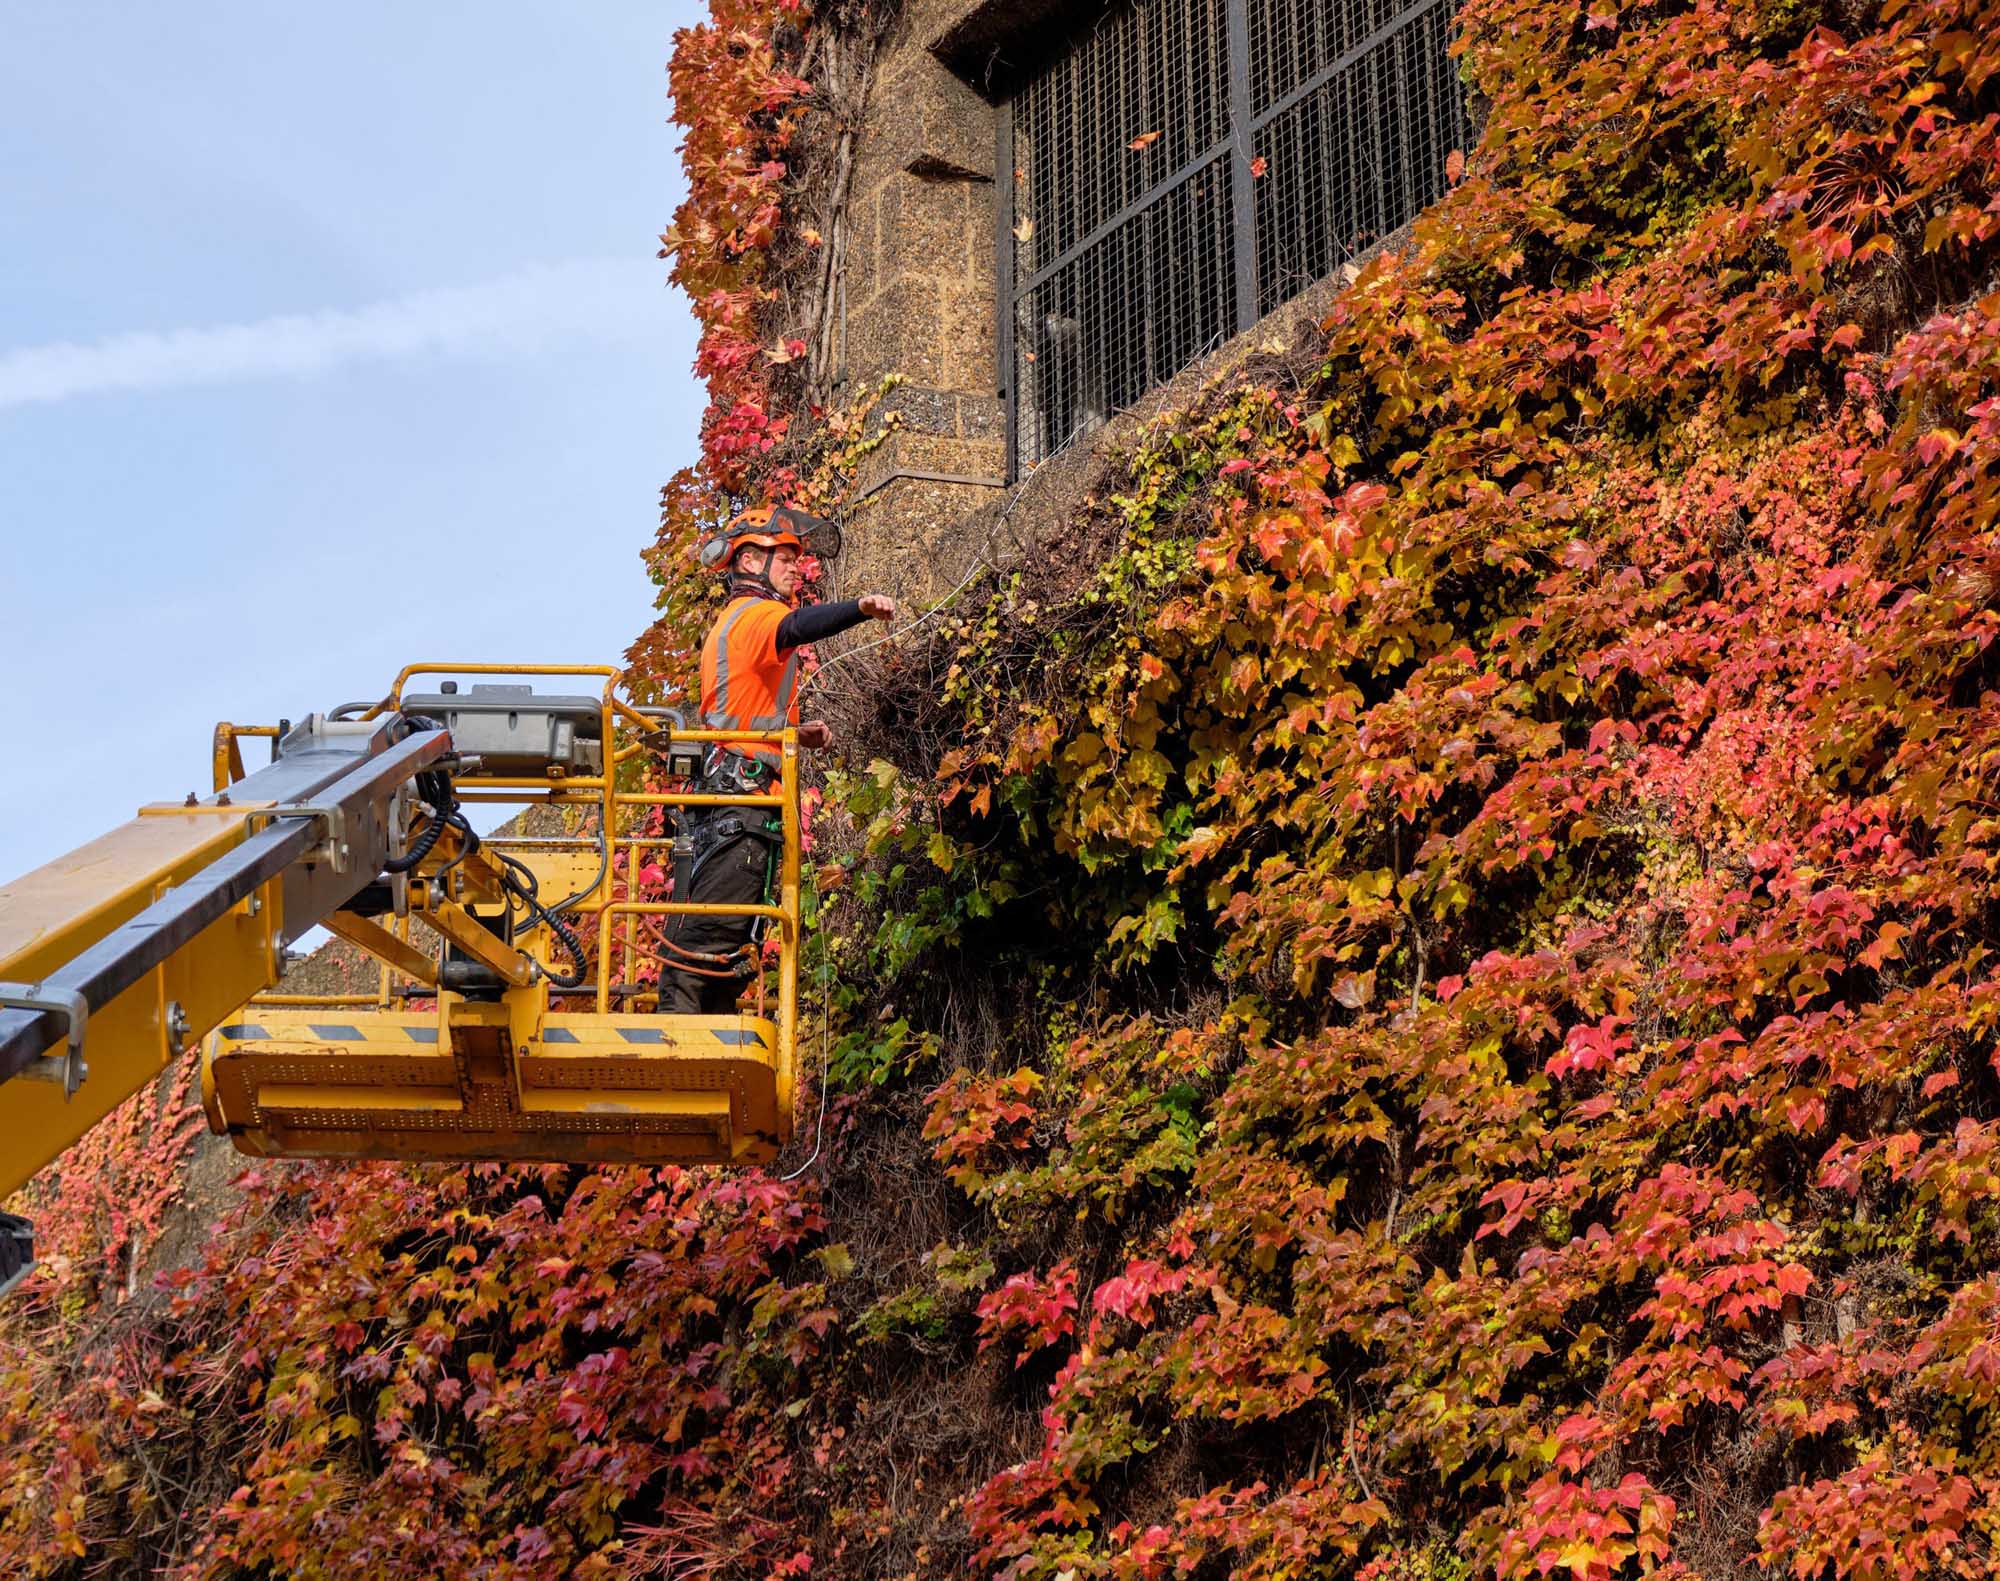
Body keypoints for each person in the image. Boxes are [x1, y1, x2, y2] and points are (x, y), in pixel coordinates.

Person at [656, 505, 896, 1014]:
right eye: (783, 556)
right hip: (736, 807)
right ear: (747, 563)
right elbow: (795, 628)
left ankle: (705, 1042)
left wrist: (790, 733)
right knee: (708, 938)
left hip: (736, 800)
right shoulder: (754, 616)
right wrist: (858, 608)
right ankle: (678, 1041)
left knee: (728, 944)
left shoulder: (737, 622)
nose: (795, 567)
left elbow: (738, 713)